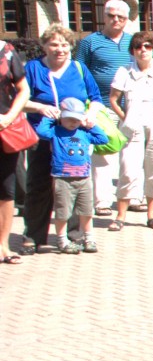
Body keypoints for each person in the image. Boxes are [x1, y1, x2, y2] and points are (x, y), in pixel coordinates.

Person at [20, 26, 102, 253]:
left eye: (64, 45)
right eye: (54, 44)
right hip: (43, 136)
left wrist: (90, 115)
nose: (59, 49)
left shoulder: (79, 68)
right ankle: (33, 236)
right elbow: (19, 100)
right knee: (39, 186)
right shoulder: (33, 68)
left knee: (74, 185)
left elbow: (95, 99)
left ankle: (73, 235)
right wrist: (40, 107)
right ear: (44, 46)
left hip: (74, 138)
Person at [109, 31, 153, 230]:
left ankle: (151, 215)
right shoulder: (124, 71)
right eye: (138, 47)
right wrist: (125, 117)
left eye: (147, 46)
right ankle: (120, 216)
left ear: (152, 48)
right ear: (133, 51)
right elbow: (114, 99)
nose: (143, 51)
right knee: (128, 170)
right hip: (133, 125)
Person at [76, 0, 135, 213]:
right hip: (101, 105)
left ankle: (131, 196)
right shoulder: (90, 42)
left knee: (131, 154)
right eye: (111, 15)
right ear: (104, 16)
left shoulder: (133, 42)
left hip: (130, 106)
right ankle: (102, 201)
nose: (116, 19)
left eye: (120, 16)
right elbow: (80, 72)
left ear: (127, 19)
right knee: (103, 153)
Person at [36, 97, 108, 253]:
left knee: (87, 211)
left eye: (76, 119)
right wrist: (50, 117)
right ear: (61, 117)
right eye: (69, 119)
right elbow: (41, 131)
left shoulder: (83, 132)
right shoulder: (55, 132)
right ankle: (62, 240)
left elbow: (103, 139)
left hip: (84, 178)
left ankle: (89, 238)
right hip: (63, 178)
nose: (73, 123)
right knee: (63, 211)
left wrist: (91, 125)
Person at [0, 35, 30, 263]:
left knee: (6, 190)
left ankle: (4, 245)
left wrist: (10, 116)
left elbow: (23, 89)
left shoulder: (6, 51)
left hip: (4, 130)